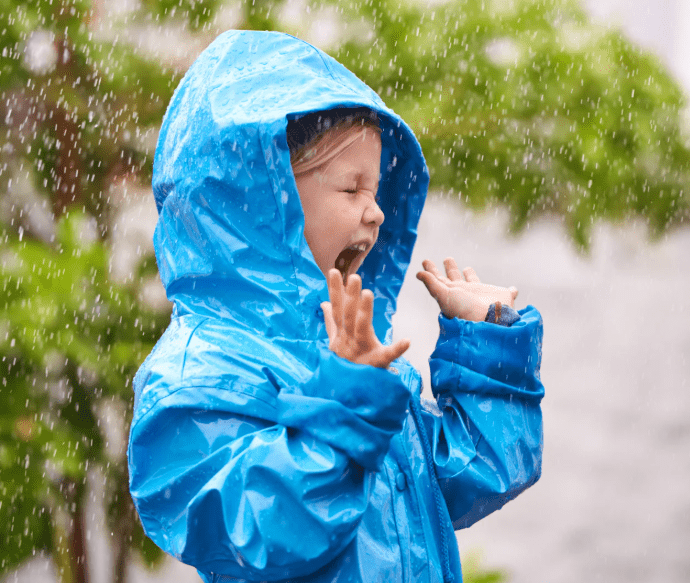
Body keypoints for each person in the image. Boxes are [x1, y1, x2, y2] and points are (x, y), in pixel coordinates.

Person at [127, 30, 545, 583]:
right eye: (352, 190)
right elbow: (263, 533)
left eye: (377, 194)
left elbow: (465, 481)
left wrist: (488, 349)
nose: (375, 214)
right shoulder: (197, 375)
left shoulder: (354, 355)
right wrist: (345, 401)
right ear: (264, 203)